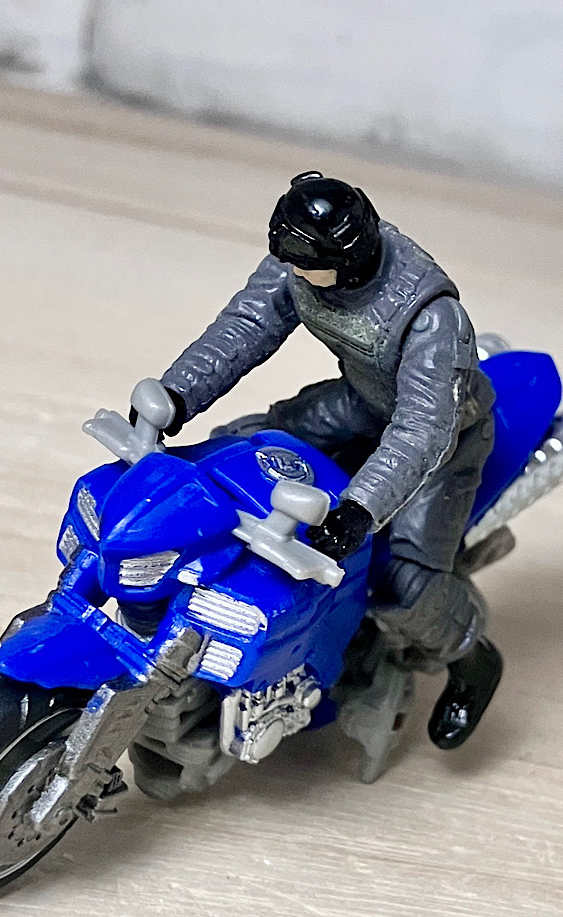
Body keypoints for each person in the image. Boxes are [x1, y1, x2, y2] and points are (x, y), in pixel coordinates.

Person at [159, 171, 503, 748]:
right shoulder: (302, 262)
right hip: (364, 400)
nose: (291, 272)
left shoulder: (430, 315)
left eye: (305, 265)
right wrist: (178, 393)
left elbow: (424, 428)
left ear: (347, 259)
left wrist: (359, 509)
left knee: (404, 582)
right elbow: (245, 327)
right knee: (245, 444)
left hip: (447, 437)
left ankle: (471, 655)